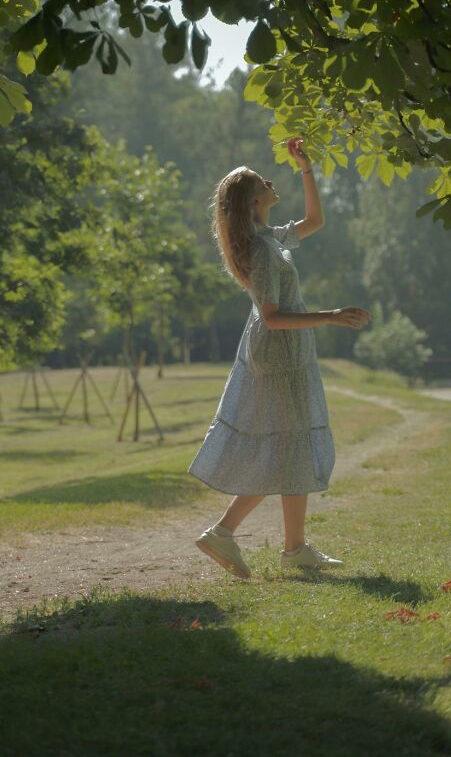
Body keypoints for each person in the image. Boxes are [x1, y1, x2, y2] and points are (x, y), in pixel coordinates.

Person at [188, 137, 370, 579]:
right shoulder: (263, 253)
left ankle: (293, 548)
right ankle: (229, 533)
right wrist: (329, 316)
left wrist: (306, 167)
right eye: (261, 181)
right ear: (253, 199)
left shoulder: (268, 238)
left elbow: (314, 220)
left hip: (284, 354)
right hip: (277, 354)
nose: (271, 182)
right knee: (286, 447)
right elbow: (271, 317)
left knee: (290, 446)